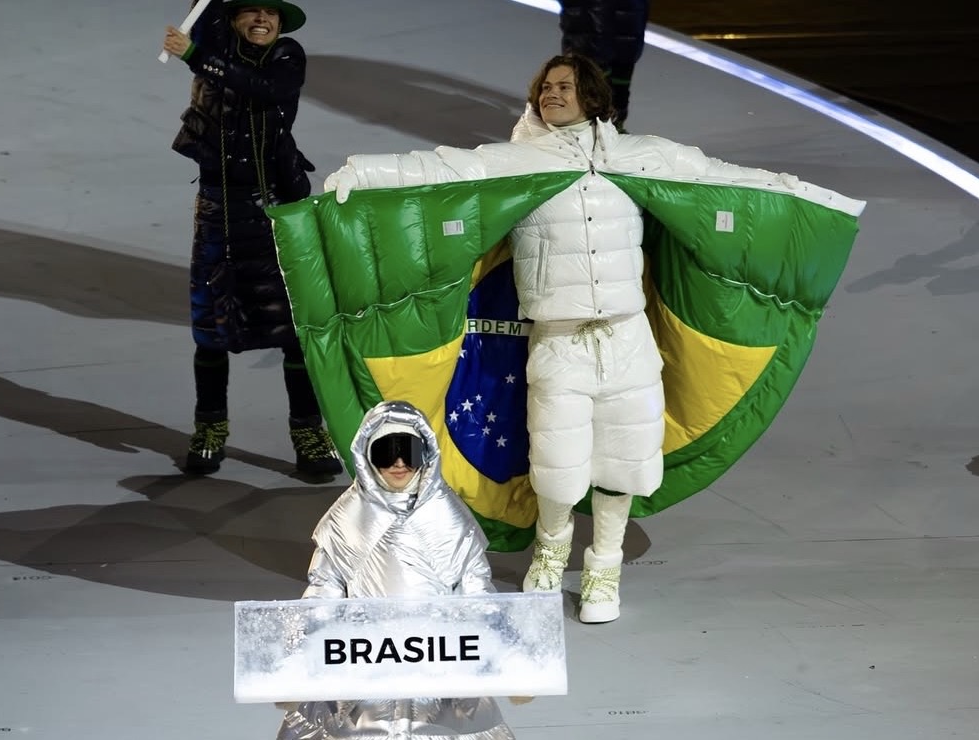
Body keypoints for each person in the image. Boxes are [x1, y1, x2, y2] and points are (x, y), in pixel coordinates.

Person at [323, 53, 819, 624]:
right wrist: (362, 171)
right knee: (556, 465)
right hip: (558, 340)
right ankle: (550, 552)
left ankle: (605, 567)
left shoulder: (637, 157)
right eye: (545, 87)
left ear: (593, 95)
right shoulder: (518, 161)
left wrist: (793, 192)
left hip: (627, 337)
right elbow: (439, 170)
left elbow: (716, 177)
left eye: (565, 86)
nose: (551, 94)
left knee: (624, 462)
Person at [162, 0, 343, 476]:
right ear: (234, 20)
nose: (262, 20)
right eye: (250, 12)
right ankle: (209, 427)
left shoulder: (288, 56)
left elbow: (264, 90)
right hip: (218, 210)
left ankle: (308, 432)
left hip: (277, 210)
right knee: (210, 327)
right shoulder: (218, 45)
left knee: (294, 331)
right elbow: (209, 17)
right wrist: (203, 46)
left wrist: (194, 56)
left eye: (271, 13)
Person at [275, 400, 518, 740]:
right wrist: (296, 664)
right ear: (367, 456)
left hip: (440, 666)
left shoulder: (450, 517)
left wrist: (511, 661)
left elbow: (478, 595)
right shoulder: (347, 518)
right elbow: (321, 595)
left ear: (427, 454)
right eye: (386, 452)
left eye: (410, 451)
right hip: (363, 665)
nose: (400, 463)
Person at [559, 0, 650, 131]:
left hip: (626, 17)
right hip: (592, 19)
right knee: (593, 69)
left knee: (621, 64)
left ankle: (612, 125)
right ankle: (594, 127)